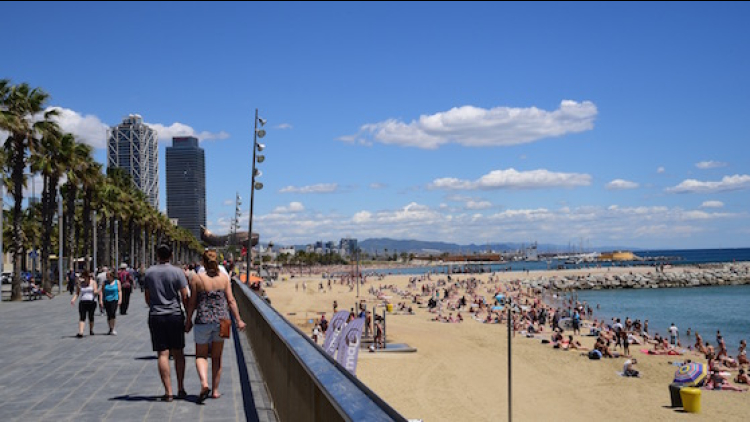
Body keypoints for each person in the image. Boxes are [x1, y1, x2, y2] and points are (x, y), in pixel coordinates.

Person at [185, 249, 246, 403]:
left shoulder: (197, 279)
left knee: (201, 355)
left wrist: (188, 319)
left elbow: (192, 302)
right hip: (223, 321)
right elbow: (231, 301)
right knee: (217, 357)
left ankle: (205, 383)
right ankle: (216, 391)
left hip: (203, 320)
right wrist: (238, 320)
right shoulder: (224, 278)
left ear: (203, 263)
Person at [145, 244, 190, 402]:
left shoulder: (149, 272)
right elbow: (185, 296)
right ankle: (181, 387)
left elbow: (147, 297)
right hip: (175, 315)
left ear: (157, 254)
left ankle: (168, 391)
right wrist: (188, 317)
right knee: (178, 353)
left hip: (156, 315)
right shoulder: (177, 272)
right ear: (171, 254)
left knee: (162, 354)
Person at [70, 270, 98, 337]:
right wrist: (73, 300)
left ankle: (91, 330)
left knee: (91, 316)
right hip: (83, 301)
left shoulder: (93, 282)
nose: (84, 279)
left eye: (85, 277)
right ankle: (81, 332)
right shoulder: (80, 284)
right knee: (82, 317)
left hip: (92, 301)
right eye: (83, 277)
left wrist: (97, 292)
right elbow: (77, 293)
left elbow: (95, 291)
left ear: (88, 277)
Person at [100, 271, 121, 335]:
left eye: (108, 276)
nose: (107, 277)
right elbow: (102, 292)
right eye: (107, 276)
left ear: (112, 276)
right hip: (106, 300)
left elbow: (119, 291)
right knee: (108, 314)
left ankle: (113, 328)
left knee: (113, 313)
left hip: (114, 299)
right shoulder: (105, 282)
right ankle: (110, 328)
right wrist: (101, 300)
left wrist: (120, 299)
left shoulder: (117, 282)